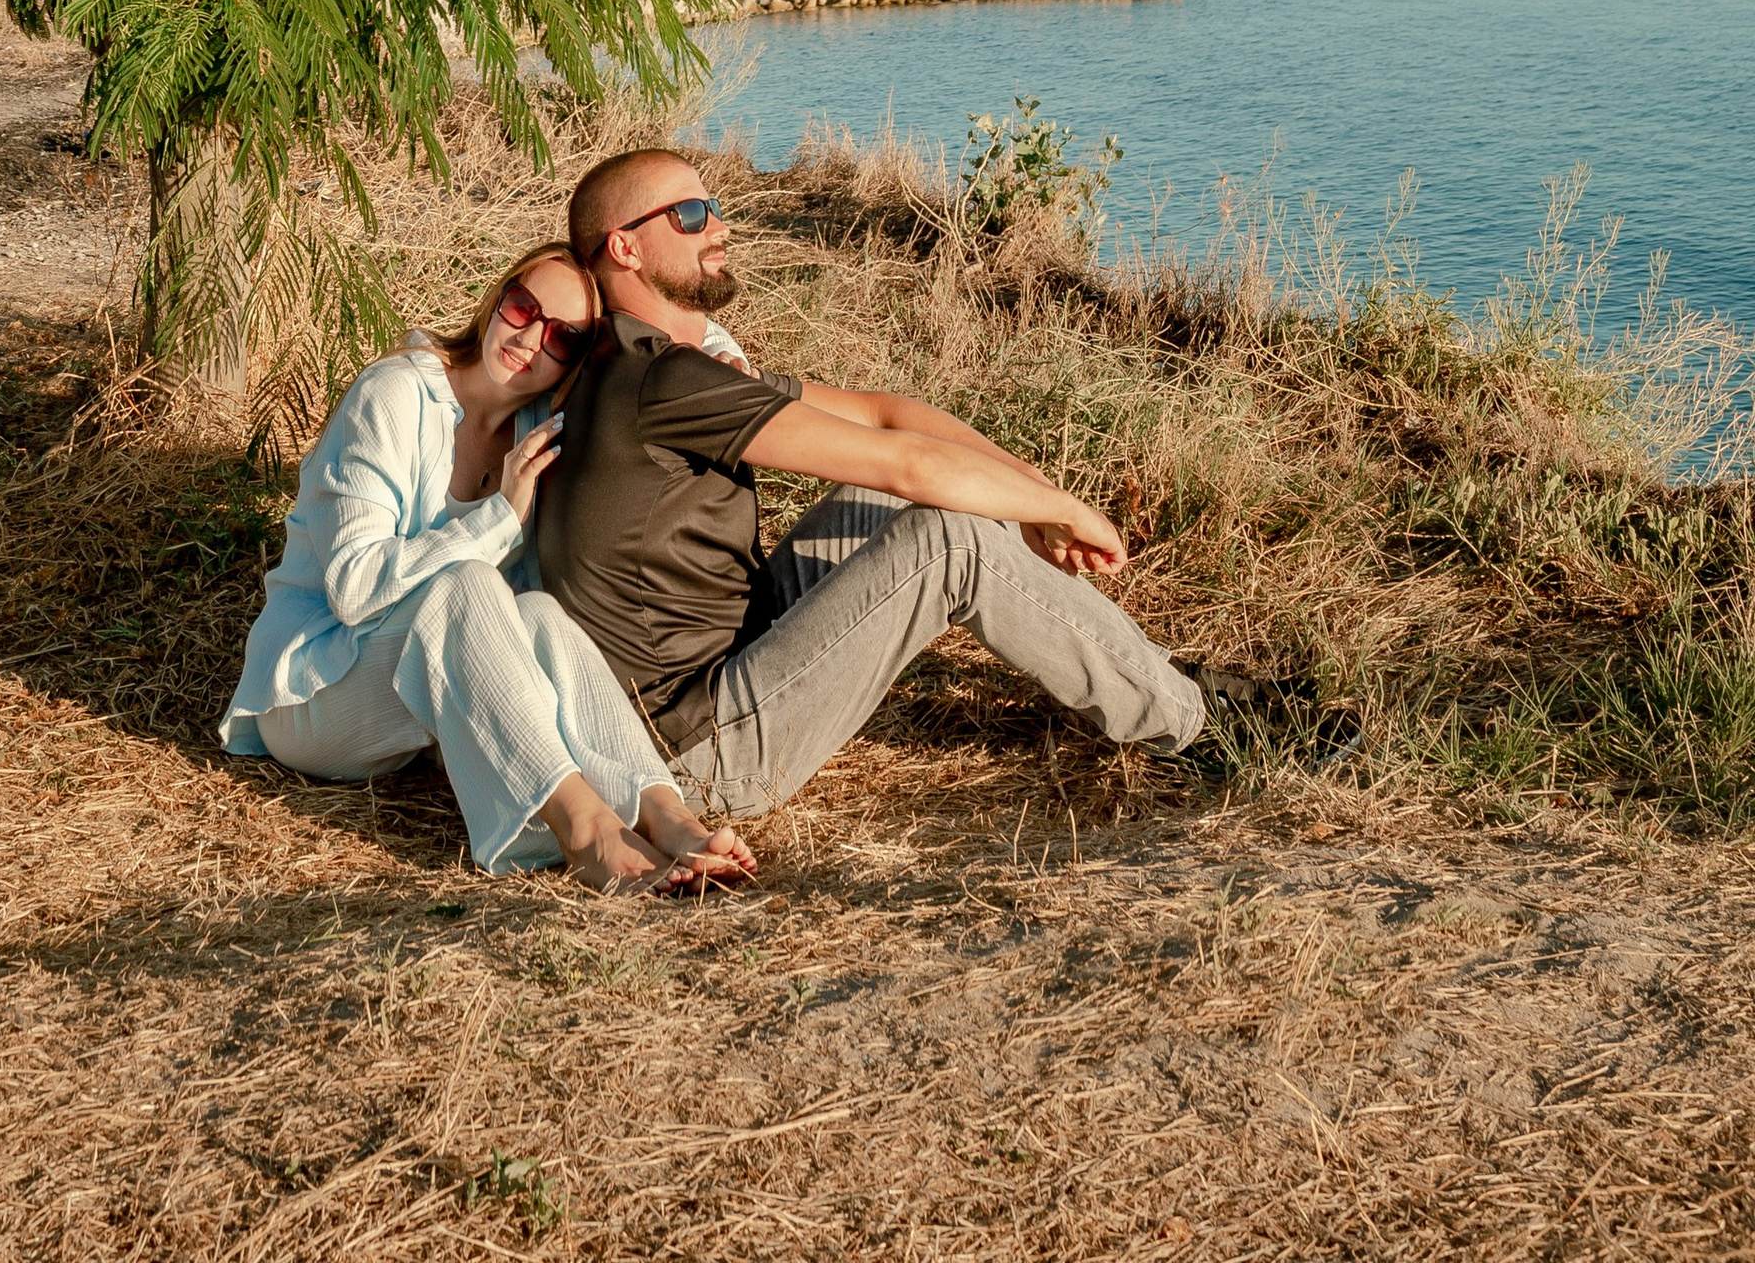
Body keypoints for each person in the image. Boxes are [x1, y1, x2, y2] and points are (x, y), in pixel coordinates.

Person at [532, 151, 1204, 821]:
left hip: (734, 655)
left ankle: (1157, 675)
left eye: (713, 208)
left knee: (897, 502)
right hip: (695, 755)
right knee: (949, 541)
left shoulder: (648, 363)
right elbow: (905, 462)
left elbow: (886, 415)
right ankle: (1197, 722)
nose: (719, 227)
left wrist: (1031, 490)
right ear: (625, 246)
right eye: (689, 214)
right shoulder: (657, 380)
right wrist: (1064, 508)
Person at [221, 242, 757, 888]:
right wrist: (498, 516)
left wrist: (724, 359)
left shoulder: (542, 425)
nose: (531, 338)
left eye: (562, 337)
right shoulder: (395, 395)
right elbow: (353, 588)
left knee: (538, 611)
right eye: (524, 307)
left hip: (417, 696)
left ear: (577, 360)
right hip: (315, 689)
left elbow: (646, 338)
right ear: (497, 299)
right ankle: (586, 834)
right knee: (469, 583)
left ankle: (668, 817)